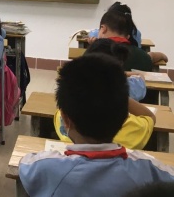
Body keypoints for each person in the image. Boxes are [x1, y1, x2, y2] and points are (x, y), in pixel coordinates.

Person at [20, 55, 174, 196]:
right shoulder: (148, 168)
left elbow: (23, 163)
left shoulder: (44, 167)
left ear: (66, 120)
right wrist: (117, 96)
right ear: (124, 118)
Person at [53, 40, 155, 150]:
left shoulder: (63, 118)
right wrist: (117, 93)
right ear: (123, 118)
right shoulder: (133, 127)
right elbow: (150, 117)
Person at [94, 10, 167, 71]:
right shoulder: (143, 57)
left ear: (103, 29)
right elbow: (150, 57)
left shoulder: (95, 52)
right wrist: (161, 55)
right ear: (128, 36)